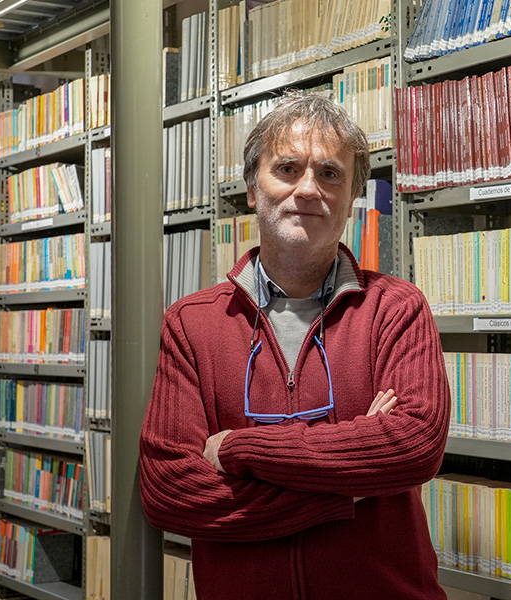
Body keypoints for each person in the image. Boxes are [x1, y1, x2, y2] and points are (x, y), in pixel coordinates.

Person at [139, 92, 451, 599]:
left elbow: (413, 448)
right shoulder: (191, 325)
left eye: (330, 174)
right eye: (287, 169)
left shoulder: (396, 308)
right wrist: (347, 487)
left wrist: (238, 449)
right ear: (250, 188)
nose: (308, 189)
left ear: (353, 197)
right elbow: (171, 493)